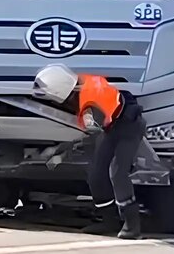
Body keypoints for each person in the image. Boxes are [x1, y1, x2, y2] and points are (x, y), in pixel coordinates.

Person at [34, 65, 146, 239]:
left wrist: (60, 152)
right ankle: (108, 220)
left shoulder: (90, 106)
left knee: (117, 173)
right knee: (95, 174)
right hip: (113, 125)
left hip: (129, 126)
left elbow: (92, 138)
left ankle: (132, 225)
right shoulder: (84, 83)